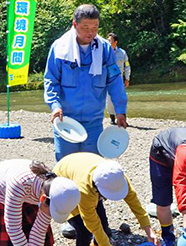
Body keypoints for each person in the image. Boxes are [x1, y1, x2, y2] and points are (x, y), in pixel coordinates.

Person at [53, 153, 158, 246]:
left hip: (86, 173)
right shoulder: (84, 190)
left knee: (105, 228)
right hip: (65, 181)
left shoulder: (117, 176)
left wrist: (149, 231)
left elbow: (134, 202)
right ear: (98, 190)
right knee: (84, 232)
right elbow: (93, 225)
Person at [44, 4, 128, 161]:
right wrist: (55, 106)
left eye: (95, 27)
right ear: (75, 24)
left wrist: (120, 110)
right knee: (66, 168)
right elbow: (51, 80)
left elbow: (114, 80)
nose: (91, 32)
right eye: (85, 27)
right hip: (66, 122)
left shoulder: (104, 48)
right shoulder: (60, 48)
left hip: (94, 122)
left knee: (92, 169)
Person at [106, 32, 131, 125]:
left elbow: (127, 66)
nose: (108, 42)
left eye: (110, 41)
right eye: (107, 40)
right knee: (109, 101)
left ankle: (123, 119)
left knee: (121, 99)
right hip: (108, 80)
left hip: (119, 80)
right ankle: (112, 118)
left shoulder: (122, 53)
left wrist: (127, 78)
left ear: (115, 42)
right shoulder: (105, 53)